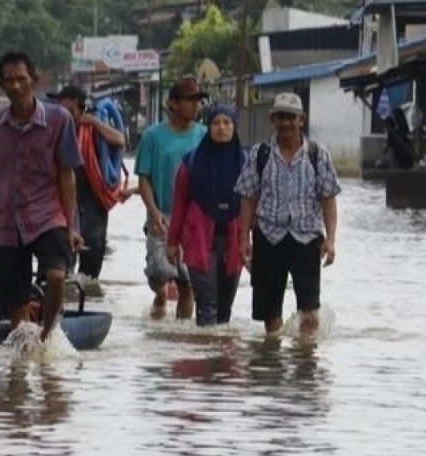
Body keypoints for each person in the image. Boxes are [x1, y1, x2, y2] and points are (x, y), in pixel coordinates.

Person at [0, 51, 84, 343]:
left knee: (57, 276)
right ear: (1, 85)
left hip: (48, 215)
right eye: (8, 81)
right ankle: (22, 352)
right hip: (10, 222)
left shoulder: (59, 120)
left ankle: (48, 337)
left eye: (21, 79)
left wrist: (72, 226)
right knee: (14, 296)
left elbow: (67, 175)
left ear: (33, 81)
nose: (15, 86)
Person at [233, 92, 341, 335]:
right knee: (270, 314)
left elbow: (328, 200)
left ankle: (304, 361)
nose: (286, 123)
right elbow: (248, 198)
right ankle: (273, 364)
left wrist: (331, 240)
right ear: (272, 119)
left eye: (291, 117)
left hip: (307, 239)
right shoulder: (260, 154)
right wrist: (243, 239)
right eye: (280, 117)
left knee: (310, 311)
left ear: (301, 120)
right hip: (269, 237)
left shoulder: (318, 154)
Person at [134, 77, 208, 320]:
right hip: (161, 216)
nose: (196, 106)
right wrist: (153, 212)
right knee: (159, 272)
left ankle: (180, 337)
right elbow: (144, 177)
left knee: (188, 282)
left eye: (198, 101)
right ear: (173, 104)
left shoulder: (204, 136)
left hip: (192, 220)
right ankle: (160, 294)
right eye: (190, 100)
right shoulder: (152, 137)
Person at [166, 104, 246, 326]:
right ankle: (205, 355)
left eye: (226, 123)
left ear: (234, 127)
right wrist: (172, 242)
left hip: (234, 241)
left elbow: (254, 205)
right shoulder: (191, 163)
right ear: (208, 127)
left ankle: (220, 358)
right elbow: (179, 205)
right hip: (199, 241)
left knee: (224, 309)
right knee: (206, 305)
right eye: (215, 123)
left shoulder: (247, 164)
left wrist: (252, 240)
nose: (221, 128)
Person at [48, 85, 126, 296]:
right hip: (61, 201)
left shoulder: (92, 129)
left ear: (77, 106)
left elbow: (120, 140)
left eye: (66, 107)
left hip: (93, 199)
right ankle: (58, 301)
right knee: (59, 259)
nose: (61, 110)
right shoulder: (53, 129)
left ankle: (86, 301)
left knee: (91, 261)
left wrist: (92, 122)